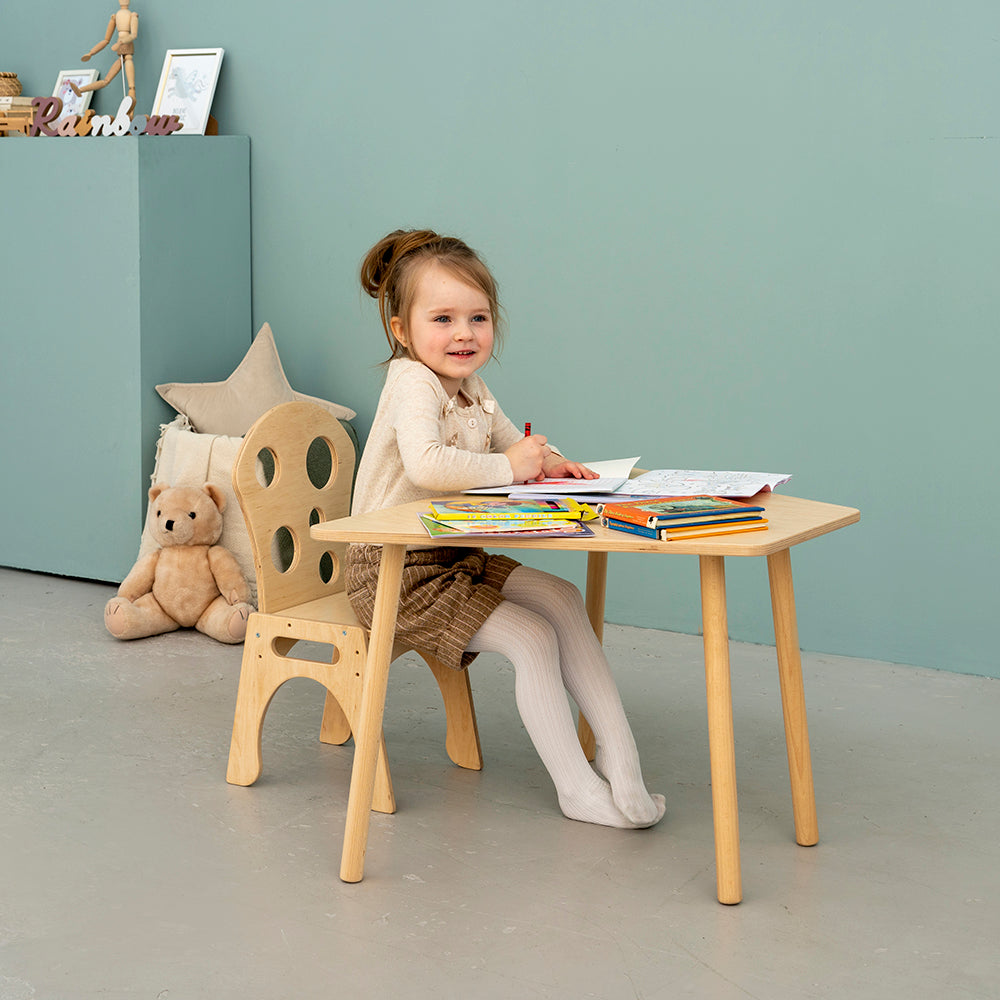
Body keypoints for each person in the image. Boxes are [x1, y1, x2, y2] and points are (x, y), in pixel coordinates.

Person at [346, 229, 665, 830]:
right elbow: (428, 463)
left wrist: (553, 463)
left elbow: (509, 447)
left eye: (478, 317)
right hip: (391, 570)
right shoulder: (410, 381)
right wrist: (510, 466)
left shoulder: (469, 387)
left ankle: (625, 764)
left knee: (564, 599)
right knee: (531, 639)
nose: (463, 334)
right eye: (442, 318)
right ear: (400, 329)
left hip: (451, 553)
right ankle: (576, 788)